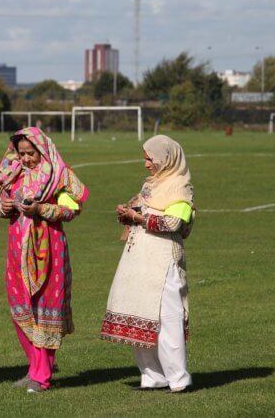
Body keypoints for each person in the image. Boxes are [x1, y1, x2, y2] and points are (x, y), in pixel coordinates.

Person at [0, 127, 89, 393]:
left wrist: (41, 209)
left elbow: (72, 209)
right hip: (17, 250)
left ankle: (42, 375)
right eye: (21, 153)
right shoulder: (13, 174)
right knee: (21, 307)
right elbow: (2, 202)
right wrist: (3, 208)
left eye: (30, 154)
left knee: (46, 309)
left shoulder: (58, 176)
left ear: (42, 150)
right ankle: (33, 368)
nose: (25, 159)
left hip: (48, 250)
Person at [100, 134, 195, 393]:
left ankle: (178, 377)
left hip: (163, 260)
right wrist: (128, 214)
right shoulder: (151, 185)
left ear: (166, 158)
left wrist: (138, 217)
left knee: (167, 319)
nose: (146, 164)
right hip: (139, 259)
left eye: (150, 158)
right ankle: (152, 375)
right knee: (139, 312)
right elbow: (145, 213)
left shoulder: (179, 187)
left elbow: (174, 224)